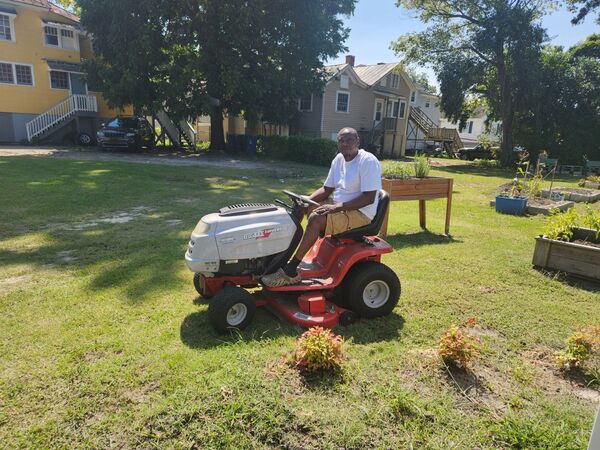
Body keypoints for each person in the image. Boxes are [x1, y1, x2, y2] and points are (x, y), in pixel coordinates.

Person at [262, 127, 382, 287]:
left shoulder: (368, 161)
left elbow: (368, 198)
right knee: (301, 208)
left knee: (316, 219)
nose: (345, 144)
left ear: (358, 141)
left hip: (360, 212)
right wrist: (305, 201)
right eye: (341, 141)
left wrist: (337, 207)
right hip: (340, 205)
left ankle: (290, 271)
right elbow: (327, 189)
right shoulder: (339, 159)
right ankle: (281, 257)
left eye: (349, 140)